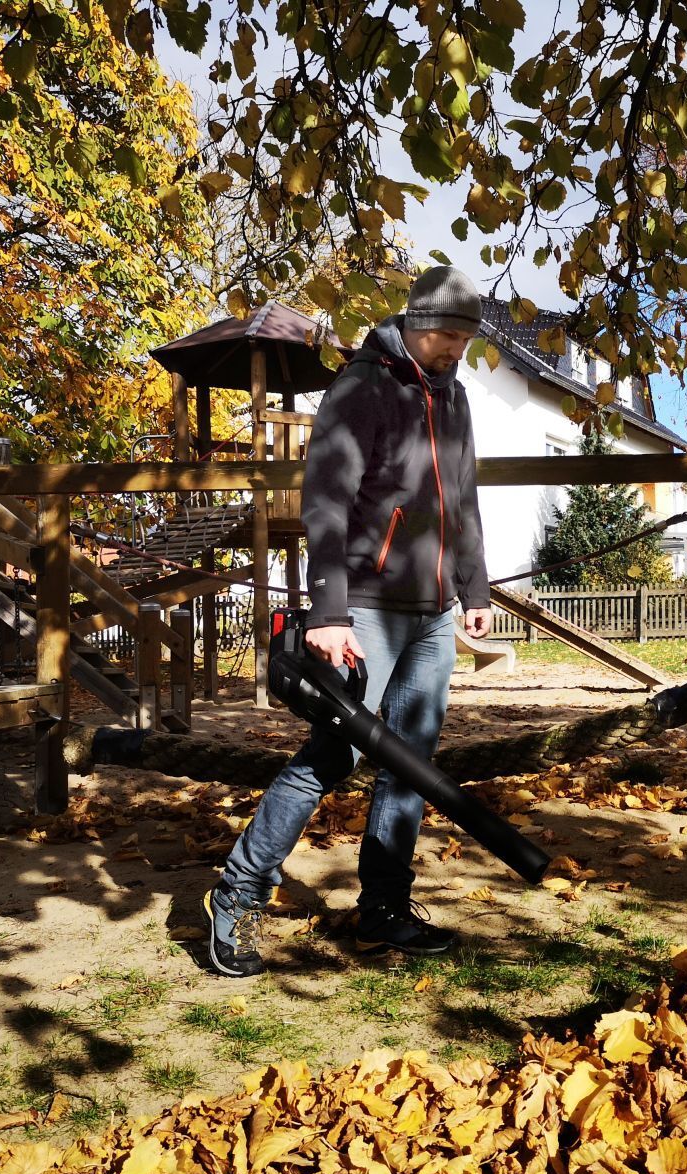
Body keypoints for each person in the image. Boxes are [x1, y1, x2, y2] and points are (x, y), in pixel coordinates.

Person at [203, 266, 492, 977]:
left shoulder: (455, 398)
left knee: (410, 767)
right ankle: (239, 890)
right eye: (448, 336)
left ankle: (384, 909)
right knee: (335, 757)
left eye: (465, 340)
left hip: (433, 615)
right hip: (364, 608)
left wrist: (474, 589)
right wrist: (329, 611)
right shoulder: (362, 386)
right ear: (417, 324)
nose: (456, 350)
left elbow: (464, 499)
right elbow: (326, 501)